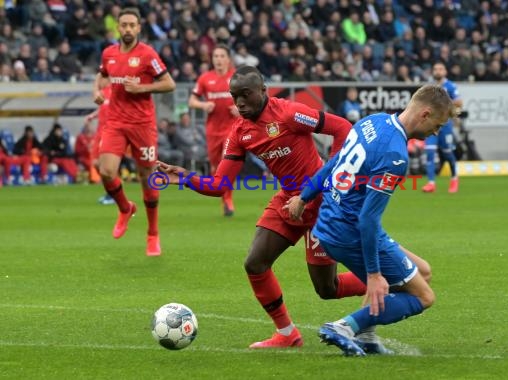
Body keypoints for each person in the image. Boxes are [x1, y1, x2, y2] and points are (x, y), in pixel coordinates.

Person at [158, 66, 432, 352]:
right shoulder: (239, 132)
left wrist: (332, 179)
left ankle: (384, 278)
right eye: (234, 96)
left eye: (245, 95)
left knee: (327, 289)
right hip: (289, 202)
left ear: (263, 91)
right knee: (255, 263)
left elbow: (341, 129)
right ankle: (286, 333)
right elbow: (219, 184)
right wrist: (185, 176)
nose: (239, 103)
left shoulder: (289, 113)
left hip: (322, 206)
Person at [283, 84, 454, 356]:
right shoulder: (395, 155)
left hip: (329, 224)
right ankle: (345, 326)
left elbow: (334, 162)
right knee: (424, 296)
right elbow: (368, 218)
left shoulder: (372, 121)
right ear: (425, 113)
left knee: (423, 271)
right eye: (438, 124)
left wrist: (304, 197)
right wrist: (374, 275)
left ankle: (366, 336)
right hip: (350, 233)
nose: (437, 131)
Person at [92, 7, 176, 256]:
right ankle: (125, 208)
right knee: (105, 170)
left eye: (132, 25)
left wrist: (141, 88)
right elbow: (101, 75)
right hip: (116, 121)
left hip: (142, 124)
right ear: (118, 27)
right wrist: (96, 91)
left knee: (146, 179)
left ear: (139, 28)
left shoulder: (147, 54)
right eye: (124, 24)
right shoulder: (109, 53)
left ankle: (152, 234)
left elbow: (169, 83)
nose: (128, 29)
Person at [188, 45, 239, 216]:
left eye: (221, 56)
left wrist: (240, 108)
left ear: (228, 59)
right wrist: (203, 104)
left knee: (227, 162)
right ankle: (221, 195)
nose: (218, 59)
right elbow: (191, 101)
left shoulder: (237, 77)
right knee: (215, 166)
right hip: (212, 130)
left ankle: (228, 199)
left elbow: (253, 97)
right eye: (215, 56)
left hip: (232, 129)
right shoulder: (205, 78)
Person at [422, 62, 462, 193]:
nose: (437, 71)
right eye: (435, 69)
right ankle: (431, 183)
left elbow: (459, 102)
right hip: (431, 126)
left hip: (445, 126)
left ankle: (454, 178)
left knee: (448, 154)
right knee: (429, 152)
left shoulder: (450, 86)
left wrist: (442, 103)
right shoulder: (429, 87)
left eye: (440, 69)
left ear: (445, 72)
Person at [85, 84, 115, 204]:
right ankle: (111, 191)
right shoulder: (104, 91)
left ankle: (112, 194)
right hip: (99, 132)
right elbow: (103, 107)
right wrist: (92, 116)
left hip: (110, 132)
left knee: (106, 166)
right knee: (96, 164)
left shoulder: (117, 91)